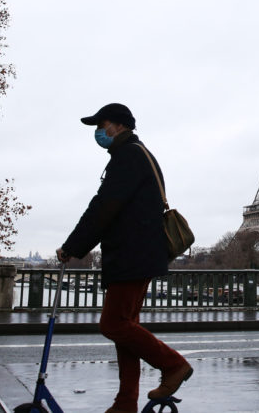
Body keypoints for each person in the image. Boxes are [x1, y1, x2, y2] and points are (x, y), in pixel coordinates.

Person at [56, 103, 192, 413]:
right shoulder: (134, 154)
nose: (97, 132)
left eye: (101, 125)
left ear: (118, 125)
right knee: (126, 329)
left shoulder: (128, 157)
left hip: (132, 255)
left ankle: (173, 365)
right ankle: (125, 402)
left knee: (113, 324)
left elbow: (104, 208)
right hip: (138, 254)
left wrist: (73, 246)